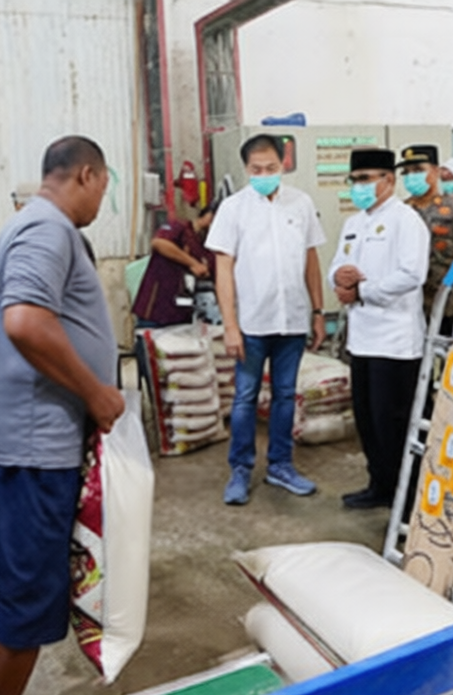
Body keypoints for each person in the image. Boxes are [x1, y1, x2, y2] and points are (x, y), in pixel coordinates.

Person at [0, 136, 121, 695]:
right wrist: (96, 393)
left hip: (36, 439)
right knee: (30, 596)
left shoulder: (35, 225)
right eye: (103, 191)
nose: (99, 205)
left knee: (35, 590)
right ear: (85, 175)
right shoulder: (50, 228)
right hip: (34, 445)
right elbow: (27, 322)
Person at [207, 133, 327, 505]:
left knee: (285, 395)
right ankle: (240, 469)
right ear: (246, 168)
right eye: (256, 169)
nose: (264, 174)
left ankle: (280, 465)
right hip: (251, 324)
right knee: (244, 398)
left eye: (271, 168)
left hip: (292, 320)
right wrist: (230, 325)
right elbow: (223, 268)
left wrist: (319, 312)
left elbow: (311, 261)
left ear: (283, 163)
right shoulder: (234, 208)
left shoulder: (301, 203)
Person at [329, 147, 429, 511]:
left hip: (396, 341)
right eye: (354, 180)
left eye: (365, 179)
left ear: (388, 180)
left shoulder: (406, 220)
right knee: (367, 419)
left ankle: (408, 500)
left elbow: (411, 274)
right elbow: (338, 264)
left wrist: (362, 291)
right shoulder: (353, 223)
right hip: (362, 338)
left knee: (395, 425)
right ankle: (380, 485)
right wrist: (338, 279)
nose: (359, 186)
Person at [398, 144, 453, 336]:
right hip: (411, 305)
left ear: (435, 171)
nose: (411, 177)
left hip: (450, 304)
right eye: (406, 172)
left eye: (418, 170)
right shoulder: (401, 211)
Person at [131, 203, 216, 327]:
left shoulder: (207, 247)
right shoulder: (179, 227)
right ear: (209, 216)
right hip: (156, 308)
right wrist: (192, 263)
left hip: (182, 313)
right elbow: (159, 243)